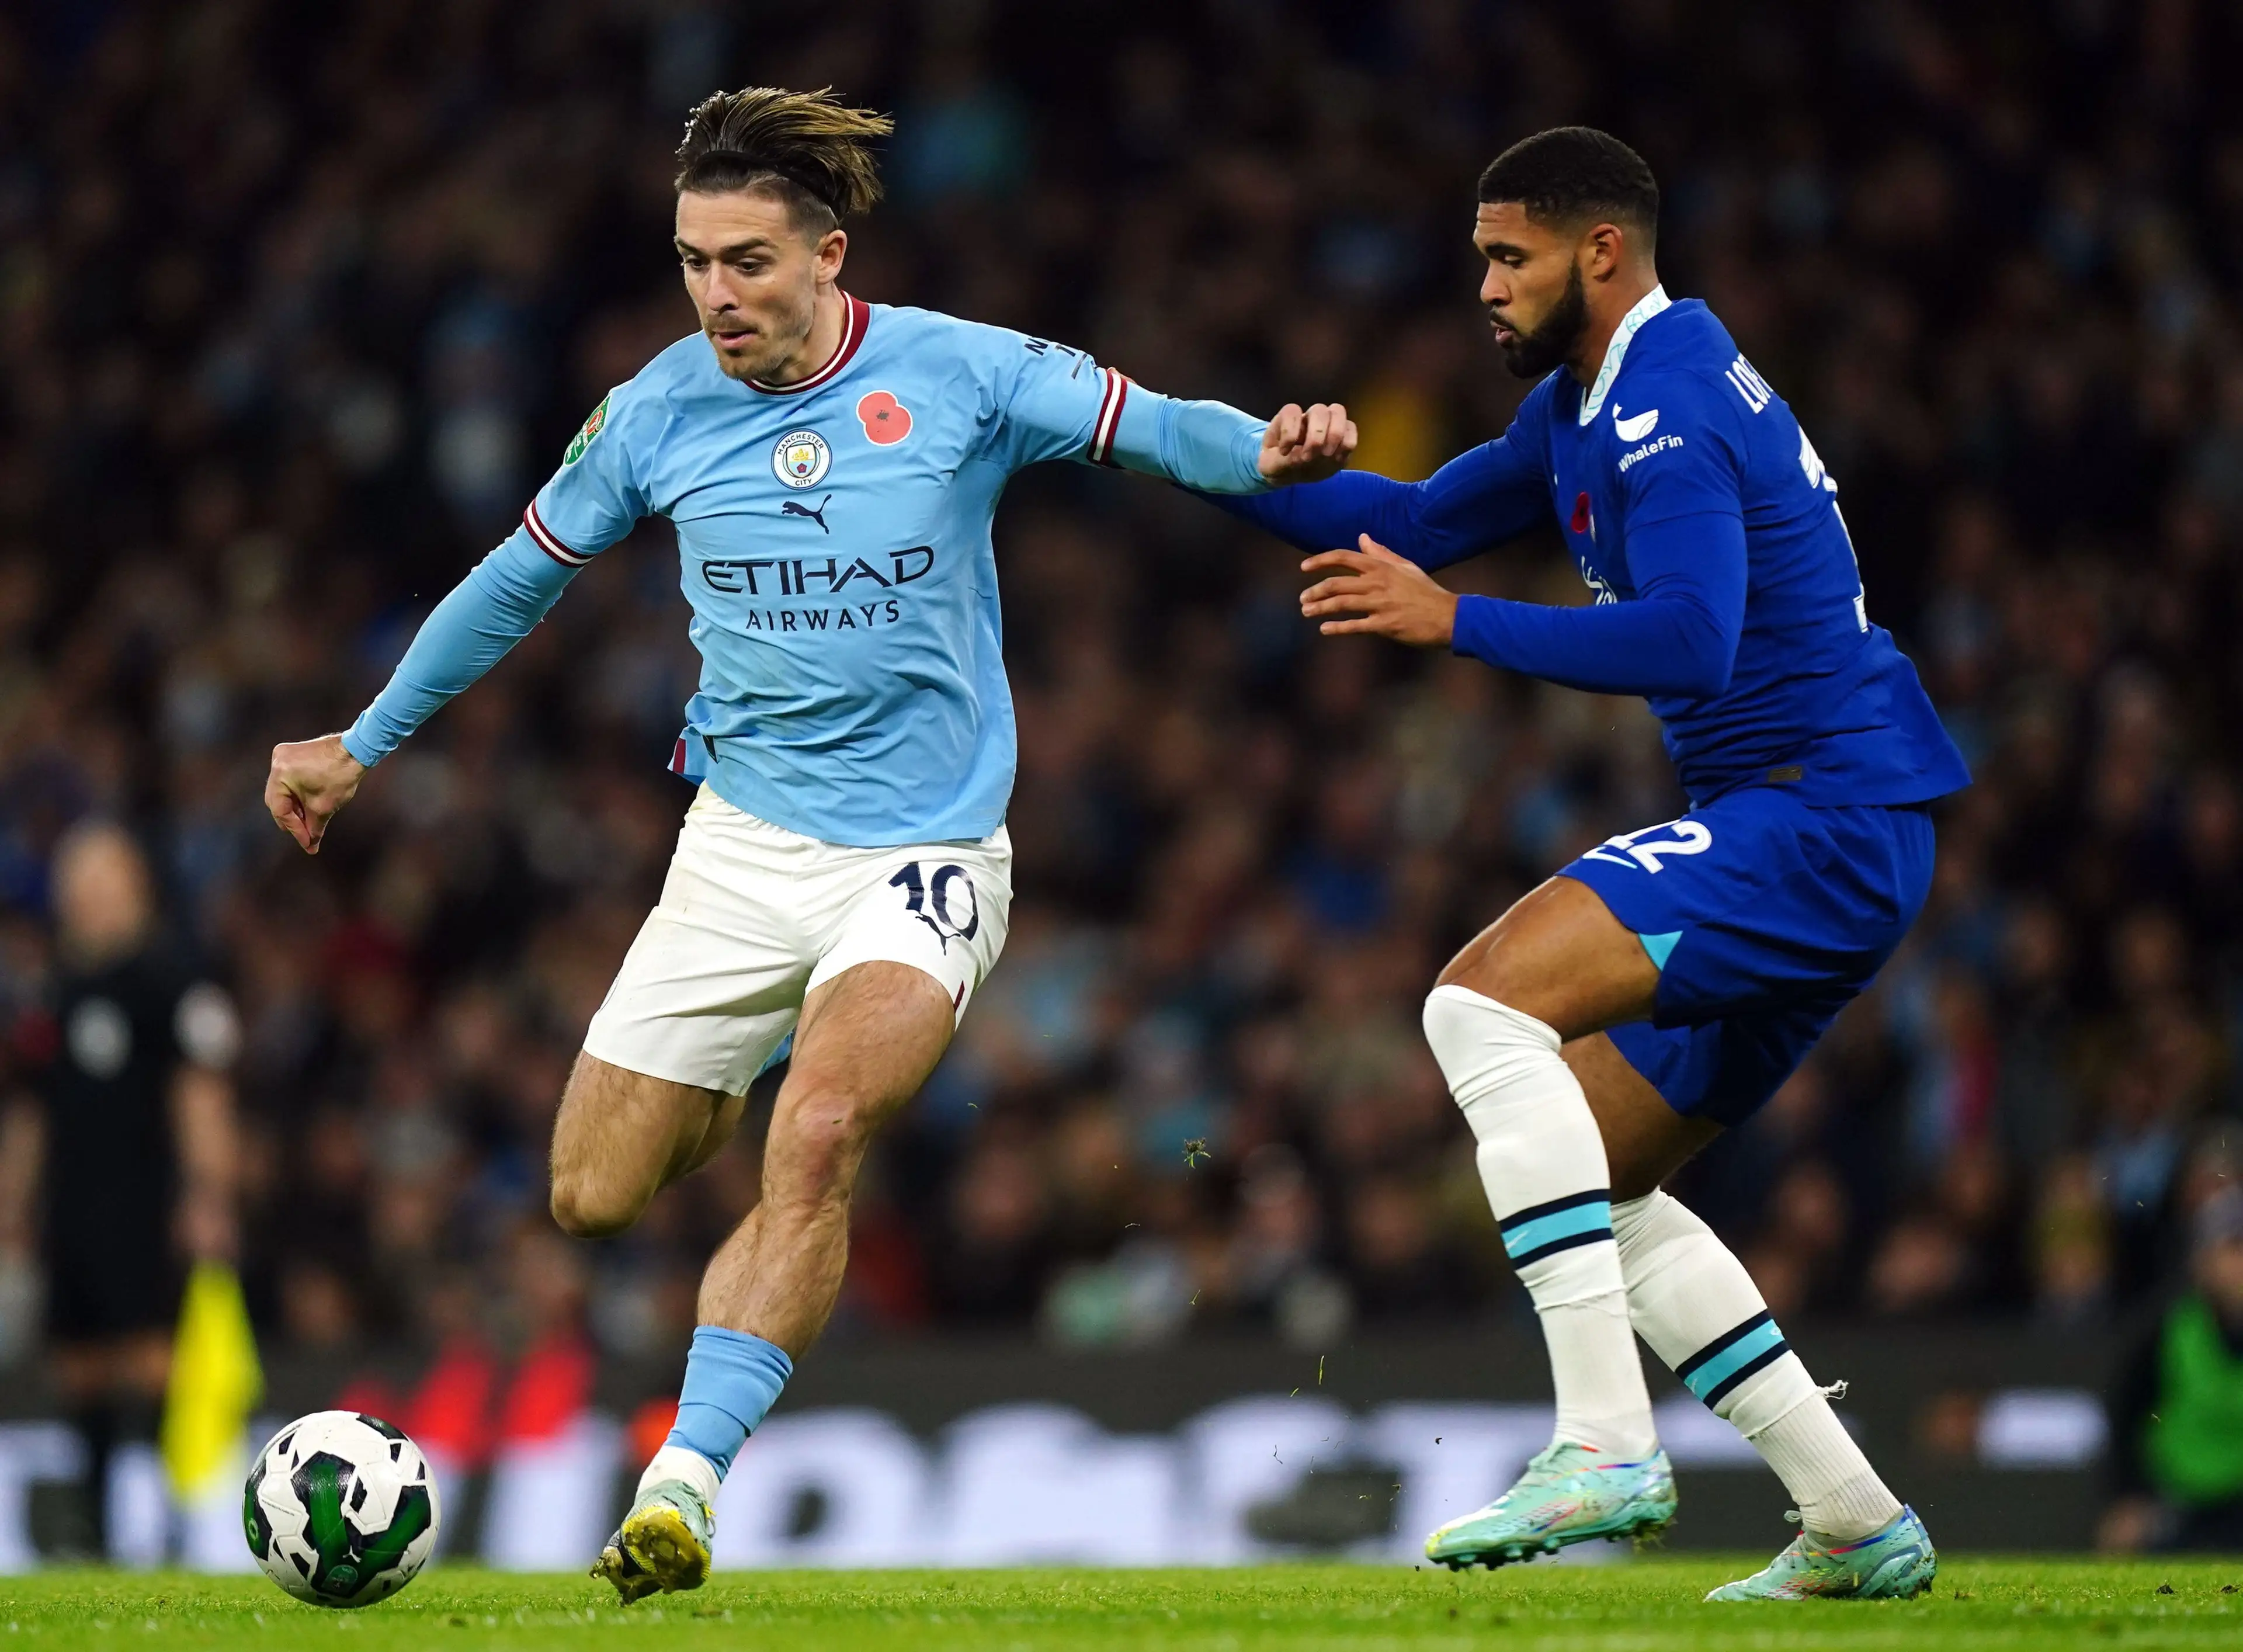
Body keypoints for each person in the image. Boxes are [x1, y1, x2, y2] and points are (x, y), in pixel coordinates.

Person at [261, 86, 1356, 1602]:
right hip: (742, 846)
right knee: (591, 1192)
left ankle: (683, 1483)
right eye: (693, 262)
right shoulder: (655, 410)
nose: (716, 293)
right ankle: (749, 1066)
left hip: (923, 855)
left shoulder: (960, 372)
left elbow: (1158, 429)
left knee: (822, 1130)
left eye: (748, 262)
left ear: (828, 256)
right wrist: (361, 742)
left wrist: (1270, 451)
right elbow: (519, 578)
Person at [1205, 126, 1967, 1601]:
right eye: (1481, 257)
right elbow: (1411, 518)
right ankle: (1852, 1517)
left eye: (1511, 257)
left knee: (1477, 1004)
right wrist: (1183, 446)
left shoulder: (1667, 406)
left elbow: (1692, 637)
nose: (1485, 286)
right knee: (1596, 1181)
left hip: (1818, 815)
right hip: (1826, 826)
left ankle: (1605, 1443)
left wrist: (1453, 624)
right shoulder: (1582, 401)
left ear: (1599, 252)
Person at [0, 821, 240, 1557]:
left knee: (149, 1354)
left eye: (106, 881)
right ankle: (93, 1526)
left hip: (147, 1199)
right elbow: (31, 1111)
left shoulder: (169, 979)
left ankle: (169, 1521)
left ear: (137, 889)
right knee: (78, 1363)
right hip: (71, 1200)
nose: (92, 897)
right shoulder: (50, 993)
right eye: (80, 883)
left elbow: (200, 1093)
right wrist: (12, 1203)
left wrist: (208, 1192)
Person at [2098, 1187, 2243, 1553]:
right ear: (2204, 1260)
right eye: (2234, 1249)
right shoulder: (2170, 1328)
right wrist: (2127, 1497)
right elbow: (2127, 1414)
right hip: (2178, 1499)